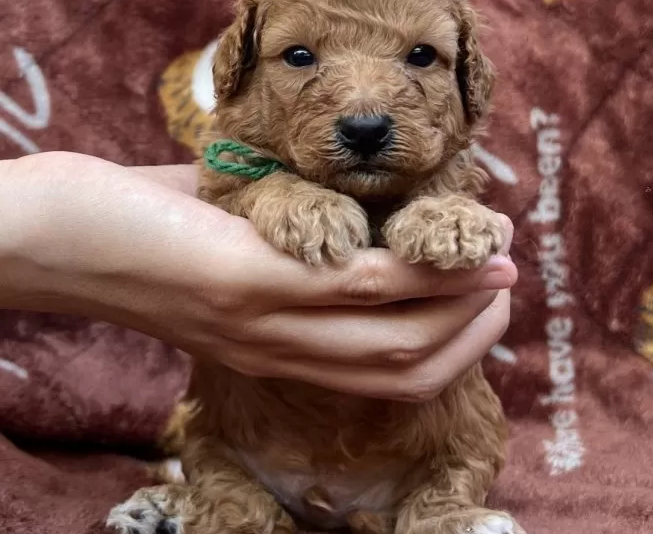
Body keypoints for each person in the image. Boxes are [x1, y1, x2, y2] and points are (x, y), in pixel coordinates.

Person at [0, 150, 516, 401]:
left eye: (420, 56)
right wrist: (50, 217)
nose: (364, 103)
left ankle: (439, 502)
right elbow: (236, 175)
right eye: (299, 57)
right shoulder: (246, 161)